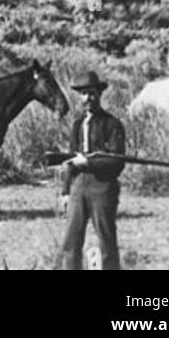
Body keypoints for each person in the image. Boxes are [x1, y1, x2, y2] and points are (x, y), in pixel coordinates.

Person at [59, 70, 126, 270]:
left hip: (103, 187)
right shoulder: (77, 124)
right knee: (71, 240)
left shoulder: (113, 124)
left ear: (99, 94)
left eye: (91, 93)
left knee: (106, 240)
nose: (87, 98)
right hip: (78, 187)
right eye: (83, 93)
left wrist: (88, 163)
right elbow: (71, 160)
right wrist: (65, 192)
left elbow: (117, 162)